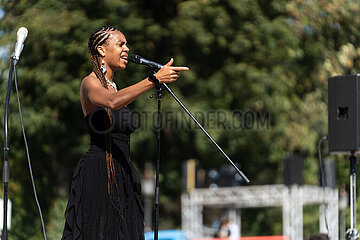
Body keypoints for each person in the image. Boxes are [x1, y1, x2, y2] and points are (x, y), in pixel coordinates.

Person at [61, 25, 189, 240]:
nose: (127, 49)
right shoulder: (89, 83)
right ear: (102, 50)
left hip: (123, 172)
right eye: (120, 44)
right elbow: (112, 102)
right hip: (99, 171)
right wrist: (154, 79)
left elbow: (117, 98)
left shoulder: (115, 86)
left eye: (126, 45)